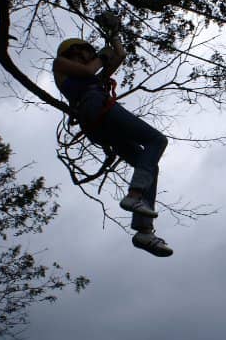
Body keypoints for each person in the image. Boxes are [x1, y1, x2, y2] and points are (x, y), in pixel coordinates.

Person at [53, 28, 173, 257]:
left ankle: (144, 231)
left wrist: (114, 34)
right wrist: (103, 56)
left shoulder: (93, 76)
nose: (90, 54)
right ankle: (135, 195)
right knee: (157, 140)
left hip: (97, 121)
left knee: (146, 163)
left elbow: (119, 56)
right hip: (95, 107)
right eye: (87, 51)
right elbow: (90, 69)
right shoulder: (61, 65)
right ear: (77, 51)